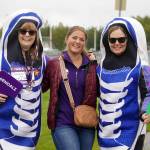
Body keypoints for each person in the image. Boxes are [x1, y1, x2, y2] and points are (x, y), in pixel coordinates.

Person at [97, 17, 150, 150]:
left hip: (132, 130)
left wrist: (147, 111)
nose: (117, 43)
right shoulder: (100, 67)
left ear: (128, 40)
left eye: (121, 39)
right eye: (112, 40)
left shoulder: (142, 66)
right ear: (106, 41)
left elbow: (149, 94)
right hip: (105, 134)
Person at [42, 26, 97, 150]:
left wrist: (147, 110)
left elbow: (103, 91)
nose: (77, 41)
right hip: (63, 123)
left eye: (81, 39)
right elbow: (38, 87)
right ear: (67, 39)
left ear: (84, 43)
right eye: (74, 37)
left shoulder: (91, 65)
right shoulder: (54, 64)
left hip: (86, 123)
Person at [0, 10, 47, 150]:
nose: (27, 34)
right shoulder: (1, 58)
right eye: (23, 31)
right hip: (3, 133)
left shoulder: (42, 61)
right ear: (16, 33)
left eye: (31, 32)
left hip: (29, 137)